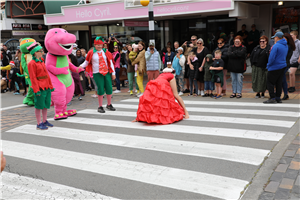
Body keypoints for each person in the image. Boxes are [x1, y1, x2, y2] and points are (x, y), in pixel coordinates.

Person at [79, 36, 116, 113]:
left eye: (100, 44)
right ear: (95, 45)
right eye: (97, 44)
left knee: (109, 88)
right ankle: (100, 106)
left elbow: (111, 62)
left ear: (103, 45)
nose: (99, 46)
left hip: (107, 72)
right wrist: (79, 67)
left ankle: (109, 104)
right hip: (97, 73)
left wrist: (113, 73)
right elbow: (86, 62)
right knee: (100, 89)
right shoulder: (91, 52)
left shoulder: (106, 52)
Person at [27, 42, 54, 130]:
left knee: (46, 104)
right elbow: (33, 78)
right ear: (35, 52)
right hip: (39, 87)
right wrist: (36, 89)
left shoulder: (42, 61)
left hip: (46, 86)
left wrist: (50, 85)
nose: (42, 52)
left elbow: (47, 74)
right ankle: (39, 123)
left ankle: (45, 120)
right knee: (39, 105)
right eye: (40, 50)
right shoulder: (31, 63)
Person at [264, 32, 288, 104]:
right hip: (282, 66)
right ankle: (278, 98)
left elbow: (271, 58)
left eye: (274, 37)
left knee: (270, 82)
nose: (274, 38)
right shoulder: (285, 45)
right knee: (279, 82)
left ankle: (272, 98)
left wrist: (268, 65)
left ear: (277, 37)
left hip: (274, 66)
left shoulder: (276, 46)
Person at [282, 33, 295, 100]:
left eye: (284, 39)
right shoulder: (288, 46)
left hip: (284, 64)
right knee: (282, 79)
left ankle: (285, 94)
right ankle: (284, 94)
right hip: (285, 64)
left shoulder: (288, 46)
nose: (283, 40)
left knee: (282, 79)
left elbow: (285, 56)